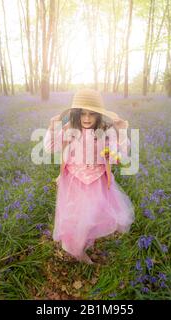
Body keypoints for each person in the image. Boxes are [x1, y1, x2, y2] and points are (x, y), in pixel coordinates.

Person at [43, 89, 135, 264]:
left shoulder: (105, 131)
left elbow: (121, 154)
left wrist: (121, 132)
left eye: (92, 114)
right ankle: (77, 251)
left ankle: (84, 242)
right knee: (76, 217)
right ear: (76, 114)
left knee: (92, 216)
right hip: (74, 180)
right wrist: (52, 127)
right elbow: (50, 148)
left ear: (99, 116)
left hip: (97, 180)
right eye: (83, 114)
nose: (87, 118)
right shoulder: (70, 129)